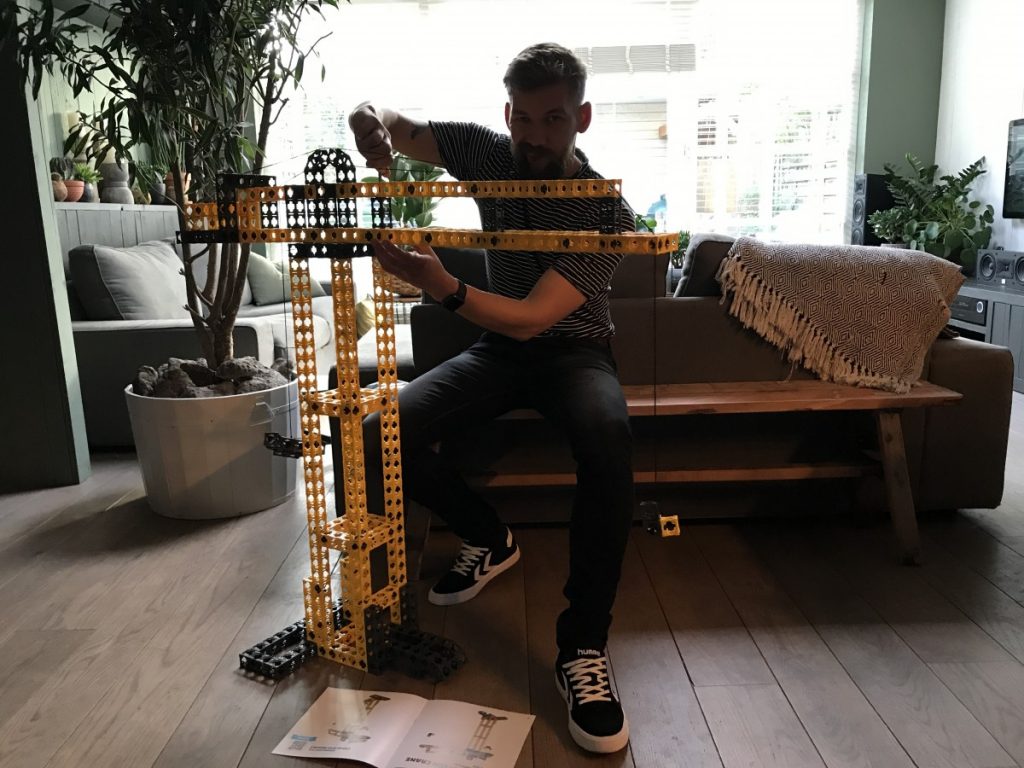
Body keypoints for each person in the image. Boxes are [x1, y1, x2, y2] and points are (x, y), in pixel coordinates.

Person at [349, 42, 635, 754]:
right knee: (379, 433)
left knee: (608, 439)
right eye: (524, 120)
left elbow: (536, 317)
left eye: (554, 119)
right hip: (500, 350)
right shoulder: (487, 152)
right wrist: (366, 119)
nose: (536, 136)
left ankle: (582, 649)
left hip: (573, 350)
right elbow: (401, 126)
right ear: (508, 115)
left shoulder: (606, 210)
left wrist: (441, 285)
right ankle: (488, 536)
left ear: (582, 119)